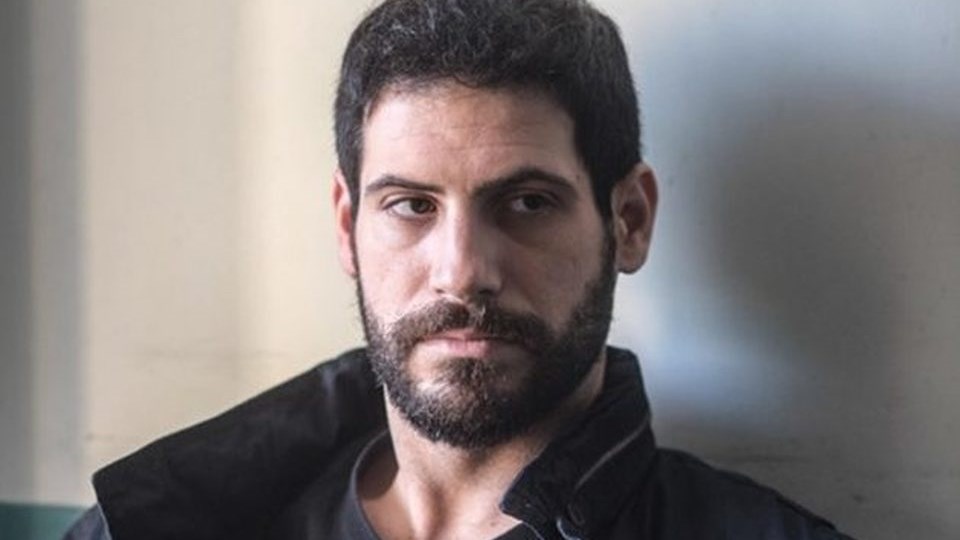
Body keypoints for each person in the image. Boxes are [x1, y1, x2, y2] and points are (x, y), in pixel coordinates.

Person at [67, 0, 853, 538]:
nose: (463, 271)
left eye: (527, 203)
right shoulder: (160, 523)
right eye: (411, 205)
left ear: (629, 221)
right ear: (346, 226)